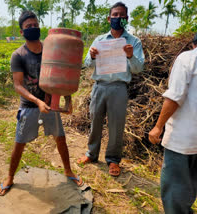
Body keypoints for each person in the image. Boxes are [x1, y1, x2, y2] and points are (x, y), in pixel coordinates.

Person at [0, 10, 83, 196]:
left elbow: (64, 75)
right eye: (28, 27)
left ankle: (68, 171)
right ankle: (10, 177)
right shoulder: (18, 55)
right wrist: (37, 101)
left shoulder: (52, 49)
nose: (33, 28)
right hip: (29, 107)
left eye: (35, 25)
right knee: (19, 143)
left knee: (60, 138)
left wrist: (67, 100)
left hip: (51, 103)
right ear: (22, 32)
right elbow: (18, 85)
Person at [77, 2, 145, 177]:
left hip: (119, 88)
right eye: (115, 15)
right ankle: (91, 154)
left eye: (122, 15)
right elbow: (86, 64)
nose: (118, 18)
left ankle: (113, 160)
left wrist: (130, 56)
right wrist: (91, 56)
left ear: (126, 19)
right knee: (95, 122)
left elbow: (138, 69)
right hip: (99, 86)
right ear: (109, 18)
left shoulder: (134, 42)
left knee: (116, 125)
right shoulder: (99, 40)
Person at [148, 34, 197, 214]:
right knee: (191, 185)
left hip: (182, 140)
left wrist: (158, 126)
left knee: (174, 193)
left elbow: (176, 96)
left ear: (193, 44)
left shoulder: (188, 58)